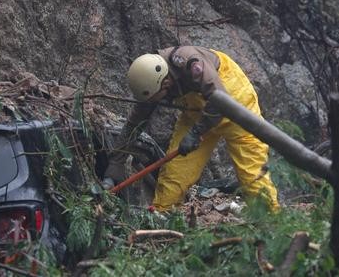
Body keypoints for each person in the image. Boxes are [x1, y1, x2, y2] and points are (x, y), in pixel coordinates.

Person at [103, 46, 279, 211]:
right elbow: (134, 123)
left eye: (157, 98)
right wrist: (116, 162)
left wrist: (195, 132)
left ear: (165, 83)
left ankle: (272, 225)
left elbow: (220, 101)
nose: (155, 103)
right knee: (174, 174)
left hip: (234, 102)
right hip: (197, 114)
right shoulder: (151, 81)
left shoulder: (191, 63)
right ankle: (162, 220)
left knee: (252, 173)